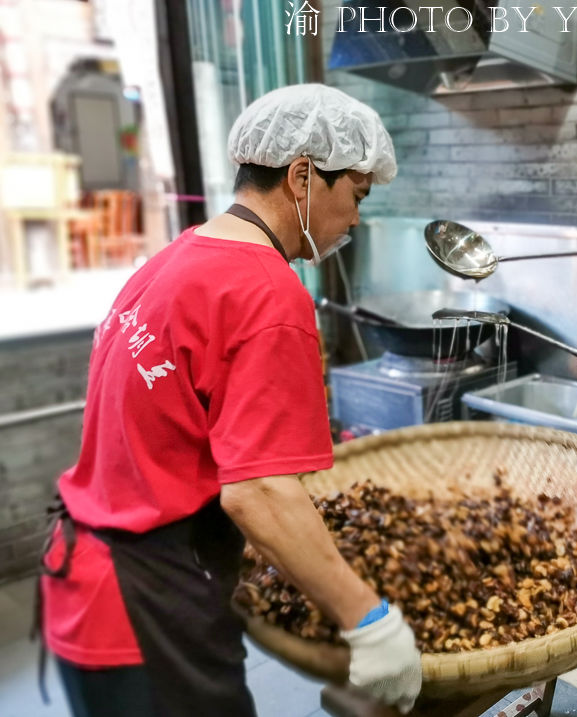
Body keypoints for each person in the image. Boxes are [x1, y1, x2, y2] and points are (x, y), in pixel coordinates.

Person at [36, 84, 422, 716]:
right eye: (356, 195)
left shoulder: (180, 258)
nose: (355, 219)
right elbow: (259, 491)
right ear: (302, 175)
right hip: (148, 606)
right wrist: (371, 623)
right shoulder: (267, 292)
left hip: (87, 577)